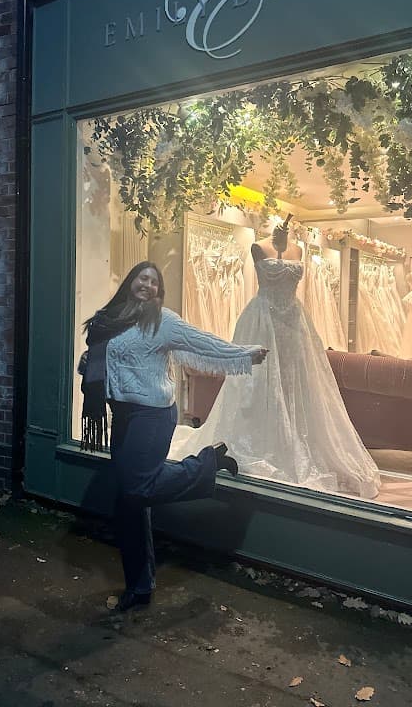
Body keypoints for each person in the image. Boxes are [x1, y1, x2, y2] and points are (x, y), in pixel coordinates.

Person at [80, 261, 267, 612]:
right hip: (121, 414)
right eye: (142, 278)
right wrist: (89, 365)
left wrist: (243, 354)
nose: (147, 285)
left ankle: (208, 462)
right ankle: (140, 585)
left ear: (158, 291)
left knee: (137, 488)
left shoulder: (163, 321)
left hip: (152, 415)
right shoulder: (111, 318)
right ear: (130, 281)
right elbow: (105, 359)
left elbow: (202, 341)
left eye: (154, 282)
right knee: (130, 503)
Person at [171, 219, 380, 499]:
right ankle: (262, 441)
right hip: (262, 320)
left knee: (297, 382)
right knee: (257, 383)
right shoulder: (258, 247)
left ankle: (295, 441)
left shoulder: (298, 249)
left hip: (293, 323)